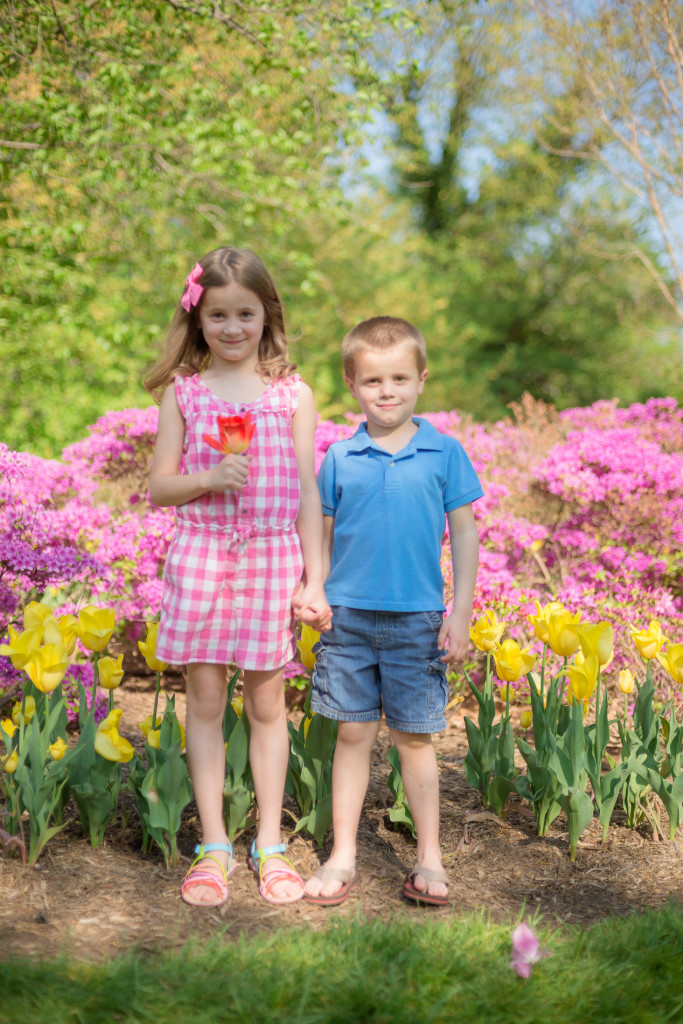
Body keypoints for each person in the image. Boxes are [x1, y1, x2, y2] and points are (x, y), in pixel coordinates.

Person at [145, 247, 331, 908]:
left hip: (272, 559)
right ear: (197, 320)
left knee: (266, 704)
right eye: (217, 314)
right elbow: (159, 487)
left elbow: (308, 492)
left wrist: (314, 579)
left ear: (266, 315)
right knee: (203, 700)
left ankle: (270, 843)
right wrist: (208, 478)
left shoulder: (292, 394)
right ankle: (215, 845)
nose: (231, 328)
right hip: (200, 556)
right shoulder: (185, 394)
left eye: (244, 313)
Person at [300, 315, 482, 907]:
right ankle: (343, 853)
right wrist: (315, 588)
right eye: (373, 380)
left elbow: (464, 535)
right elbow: (321, 535)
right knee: (352, 734)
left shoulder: (444, 453)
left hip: (418, 621)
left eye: (400, 378)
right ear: (352, 384)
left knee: (415, 740)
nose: (387, 391)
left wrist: (460, 612)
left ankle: (429, 857)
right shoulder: (340, 457)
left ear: (421, 380)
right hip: (348, 620)